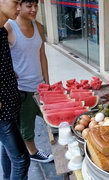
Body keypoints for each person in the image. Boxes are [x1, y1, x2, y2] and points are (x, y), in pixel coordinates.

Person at [5, 0, 53, 163]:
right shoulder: (9, 27)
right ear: (19, 6)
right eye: (29, 6)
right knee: (26, 127)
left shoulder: (39, 27)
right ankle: (33, 152)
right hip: (22, 90)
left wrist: (48, 83)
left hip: (40, 87)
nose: (34, 10)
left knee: (52, 121)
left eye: (36, 6)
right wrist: (10, 73)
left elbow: (42, 56)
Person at [0, 0, 30, 179]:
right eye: (15, 2)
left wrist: (10, 74)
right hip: (2, 113)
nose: (19, 8)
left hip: (11, 105)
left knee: (7, 150)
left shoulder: (2, 31)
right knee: (21, 160)